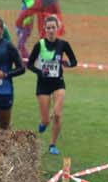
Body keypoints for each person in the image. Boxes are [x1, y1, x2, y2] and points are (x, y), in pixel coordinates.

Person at [27, 14, 78, 157]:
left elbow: (74, 61)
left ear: (57, 28)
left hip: (58, 83)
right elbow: (29, 64)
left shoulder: (63, 45)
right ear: (44, 29)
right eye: (48, 27)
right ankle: (44, 122)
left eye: (53, 27)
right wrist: (39, 72)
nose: (50, 30)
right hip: (43, 84)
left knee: (57, 114)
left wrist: (67, 64)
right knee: (45, 119)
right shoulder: (39, 45)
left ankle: (52, 144)